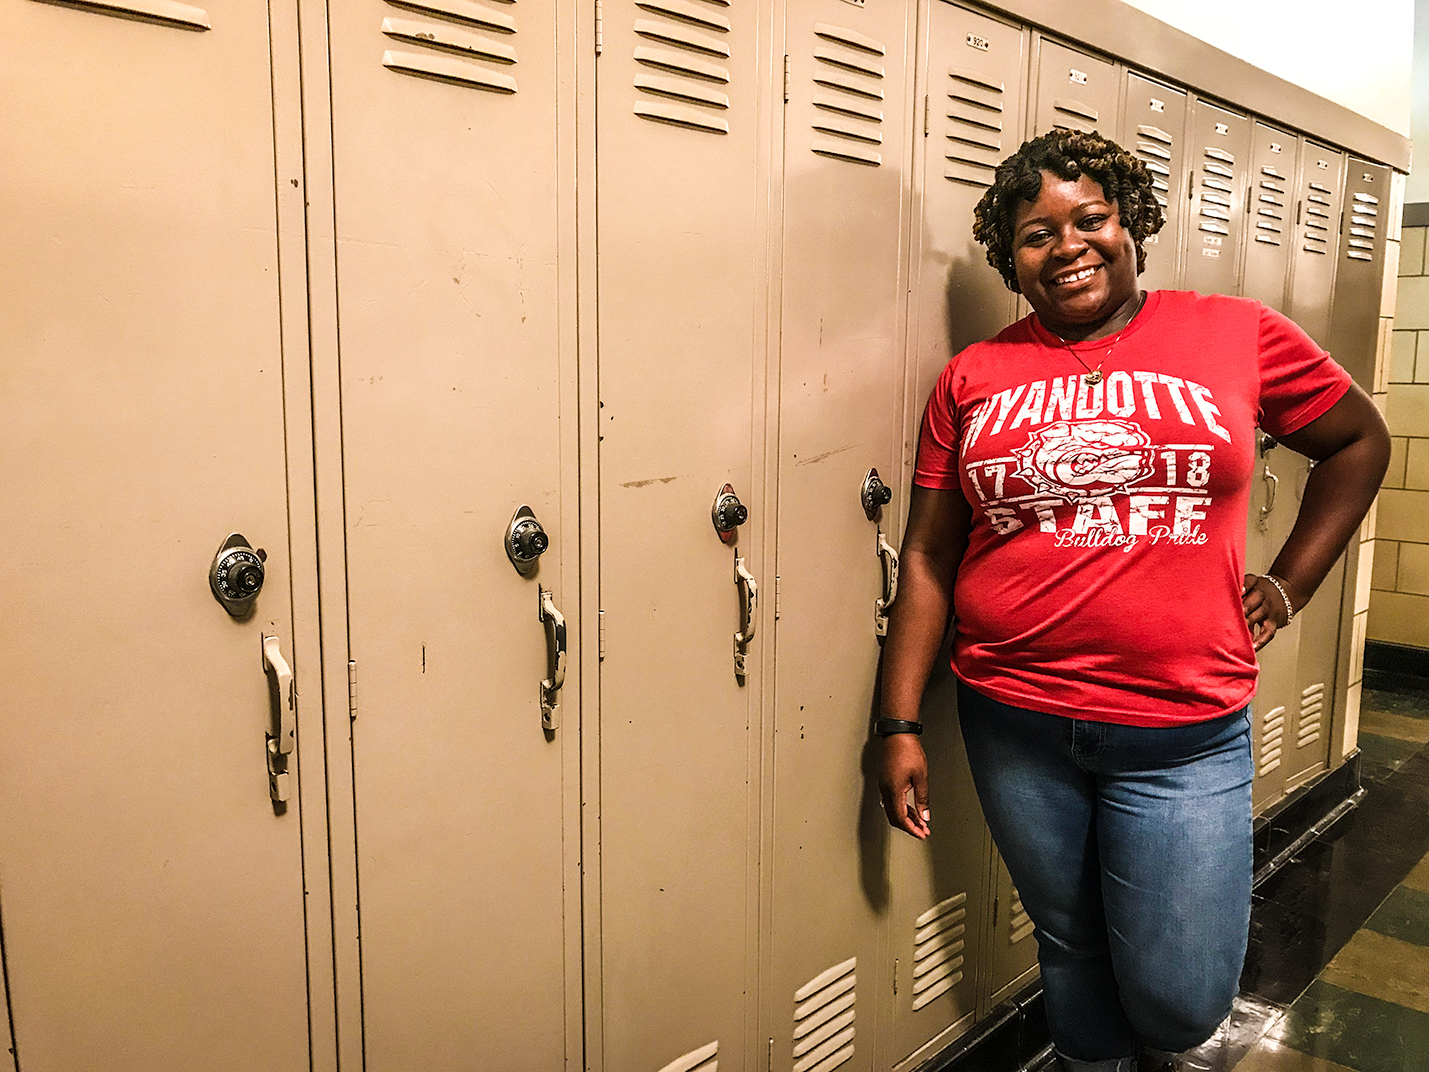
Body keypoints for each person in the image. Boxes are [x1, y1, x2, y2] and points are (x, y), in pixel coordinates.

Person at [876, 129, 1390, 1072]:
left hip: (1181, 728)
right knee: (1070, 945)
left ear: (1131, 226)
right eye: (1036, 234)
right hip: (1014, 719)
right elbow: (928, 555)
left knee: (1180, 998)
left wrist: (1289, 584)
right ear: (1010, 260)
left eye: (1090, 220)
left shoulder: (1234, 332)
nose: (1066, 247)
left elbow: (1358, 441)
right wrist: (897, 722)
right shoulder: (973, 376)